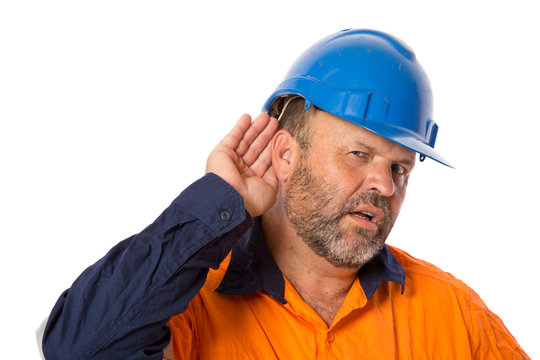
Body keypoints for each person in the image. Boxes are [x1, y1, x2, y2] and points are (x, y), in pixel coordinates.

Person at [42, 29, 530, 359]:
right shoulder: (191, 305)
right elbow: (76, 348)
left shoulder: (452, 313)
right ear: (285, 155)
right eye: (358, 155)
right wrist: (216, 205)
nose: (384, 185)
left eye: (400, 167)